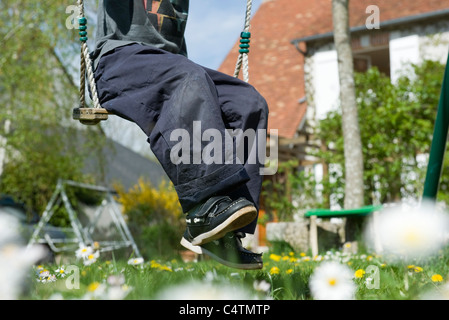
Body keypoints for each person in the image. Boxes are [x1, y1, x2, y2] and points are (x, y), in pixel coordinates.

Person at [91, 0, 269, 270]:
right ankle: (203, 206)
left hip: (173, 66)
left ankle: (226, 228)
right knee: (189, 78)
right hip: (120, 59)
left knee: (248, 103)